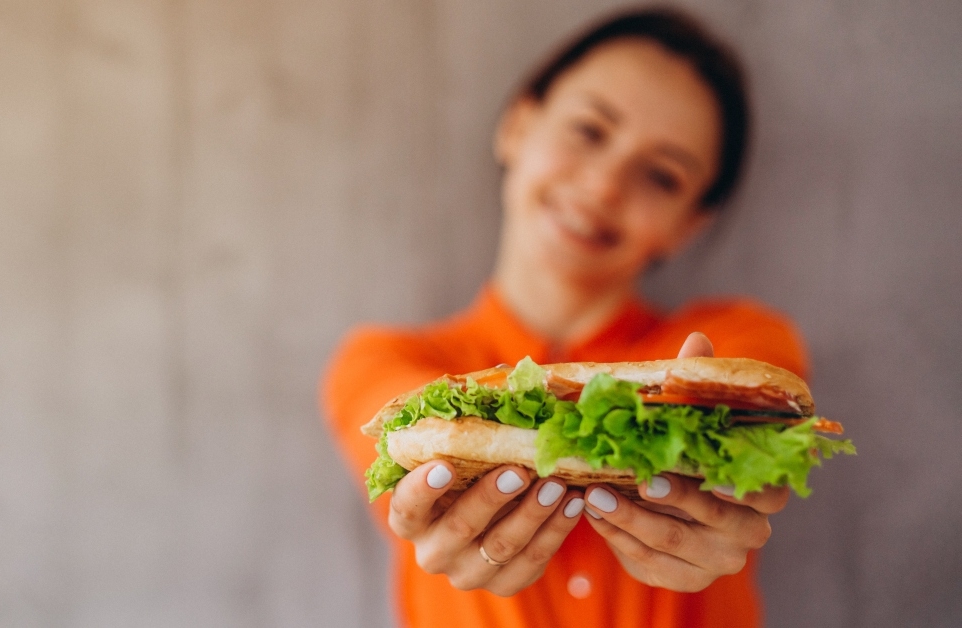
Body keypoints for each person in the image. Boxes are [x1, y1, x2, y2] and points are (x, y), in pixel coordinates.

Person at [322, 8, 809, 628]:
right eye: (589, 129)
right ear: (519, 126)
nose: (605, 187)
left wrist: (731, 488)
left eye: (662, 176)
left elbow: (764, 457)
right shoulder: (379, 361)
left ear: (689, 225)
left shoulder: (741, 341)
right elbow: (401, 460)